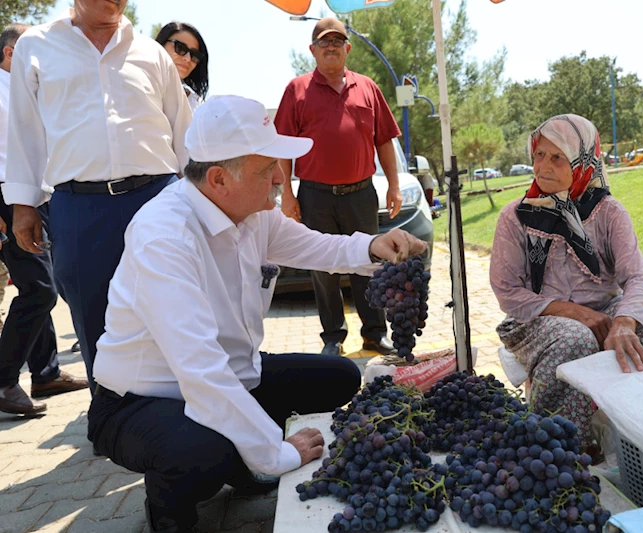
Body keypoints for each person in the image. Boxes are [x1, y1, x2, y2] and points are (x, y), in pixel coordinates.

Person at [87, 95, 427, 532]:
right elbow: (200, 371)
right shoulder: (164, 236)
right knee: (204, 453)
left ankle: (241, 459)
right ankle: (170, 510)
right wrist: (278, 454)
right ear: (218, 178)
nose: (280, 178)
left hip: (233, 374)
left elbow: (317, 247)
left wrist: (373, 246)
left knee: (340, 377)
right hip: (144, 399)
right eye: (267, 169)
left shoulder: (252, 213)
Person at [3, 0, 192, 394]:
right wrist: (24, 205)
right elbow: (24, 131)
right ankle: (110, 412)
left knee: (174, 309)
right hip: (78, 207)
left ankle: (182, 403)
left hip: (158, 200)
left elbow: (182, 131)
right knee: (94, 318)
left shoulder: (151, 52)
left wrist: (197, 201)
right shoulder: (36, 46)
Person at [489, 114, 643, 447]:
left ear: (583, 163)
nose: (543, 166)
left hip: (605, 307)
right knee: (575, 339)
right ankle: (558, 445)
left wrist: (624, 322)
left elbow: (637, 277)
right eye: (539, 154)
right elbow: (508, 292)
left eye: (558, 157)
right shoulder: (516, 217)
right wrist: (576, 312)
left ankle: (641, 438)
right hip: (537, 318)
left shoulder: (609, 212)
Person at [275, 17, 403, 357]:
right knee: (323, 269)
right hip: (315, 196)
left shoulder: (368, 87)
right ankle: (333, 337)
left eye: (337, 41)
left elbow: (384, 140)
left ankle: (375, 333)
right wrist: (286, 194)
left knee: (369, 263)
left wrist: (393, 185)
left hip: (361, 194)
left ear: (347, 48)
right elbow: (282, 148)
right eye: (324, 41)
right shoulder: (296, 90)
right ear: (312, 49)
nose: (330, 47)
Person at [0, 23, 88, 416]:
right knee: (40, 290)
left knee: (43, 283)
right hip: (8, 200)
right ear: (10, 54)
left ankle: (46, 372)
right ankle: (3, 380)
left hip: (39, 196)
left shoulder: (25, 91)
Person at [155, 22, 209, 113]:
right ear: (161, 45)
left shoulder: (200, 109)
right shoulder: (135, 85)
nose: (188, 59)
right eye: (180, 48)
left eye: (195, 55)